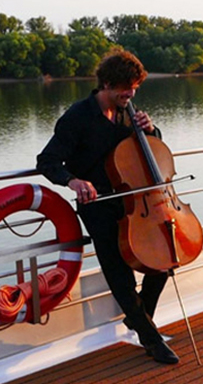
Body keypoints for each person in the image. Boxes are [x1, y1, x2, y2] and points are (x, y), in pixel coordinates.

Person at [36, 49, 179, 364]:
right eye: (125, 88)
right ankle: (151, 339)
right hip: (98, 203)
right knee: (119, 272)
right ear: (107, 85)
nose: (131, 94)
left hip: (135, 201)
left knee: (163, 261)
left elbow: (151, 152)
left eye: (135, 88)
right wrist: (73, 181)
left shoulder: (129, 112)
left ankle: (140, 318)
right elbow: (46, 161)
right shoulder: (77, 117)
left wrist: (151, 131)